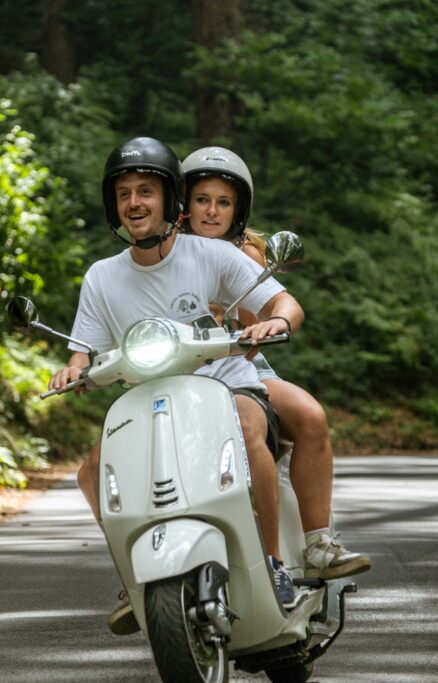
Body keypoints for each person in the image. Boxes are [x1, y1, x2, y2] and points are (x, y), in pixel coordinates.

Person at [50, 136, 303, 633]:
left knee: (249, 430)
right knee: (93, 471)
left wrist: (275, 322)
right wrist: (72, 370)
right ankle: (135, 578)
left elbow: (283, 301)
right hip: (149, 396)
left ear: (169, 199)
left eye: (145, 191)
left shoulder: (208, 254)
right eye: (123, 194)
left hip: (224, 381)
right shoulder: (101, 276)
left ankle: (272, 562)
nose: (134, 203)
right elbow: (82, 350)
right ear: (113, 205)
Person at [181, 146, 372, 580]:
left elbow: (267, 315)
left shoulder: (245, 255)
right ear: (183, 203)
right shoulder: (163, 252)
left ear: (238, 209)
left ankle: (318, 543)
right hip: (177, 373)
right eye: (202, 199)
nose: (212, 211)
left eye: (223, 202)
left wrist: (246, 320)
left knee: (308, 416)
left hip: (240, 368)